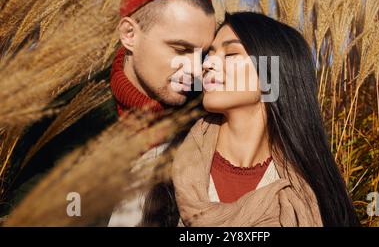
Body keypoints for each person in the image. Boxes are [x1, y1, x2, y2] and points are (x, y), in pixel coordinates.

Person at [142, 12, 360, 226]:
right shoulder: (158, 164)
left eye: (230, 55)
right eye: (210, 54)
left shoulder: (313, 188)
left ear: (273, 74)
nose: (207, 64)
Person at [107, 0, 216, 226]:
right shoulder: (68, 120)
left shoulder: (208, 122)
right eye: (180, 49)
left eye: (201, 55)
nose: (194, 69)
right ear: (129, 34)